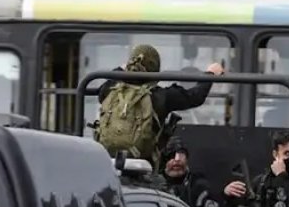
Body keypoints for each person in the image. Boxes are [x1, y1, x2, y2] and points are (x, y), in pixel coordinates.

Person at [93, 44, 224, 166]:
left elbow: (104, 88)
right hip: (144, 164)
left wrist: (122, 69)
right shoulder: (161, 96)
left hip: (107, 161)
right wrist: (210, 73)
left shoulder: (110, 88)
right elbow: (196, 97)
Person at [159, 138, 232, 207]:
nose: (177, 159)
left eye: (181, 154)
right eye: (171, 155)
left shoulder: (198, 186)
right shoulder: (153, 185)